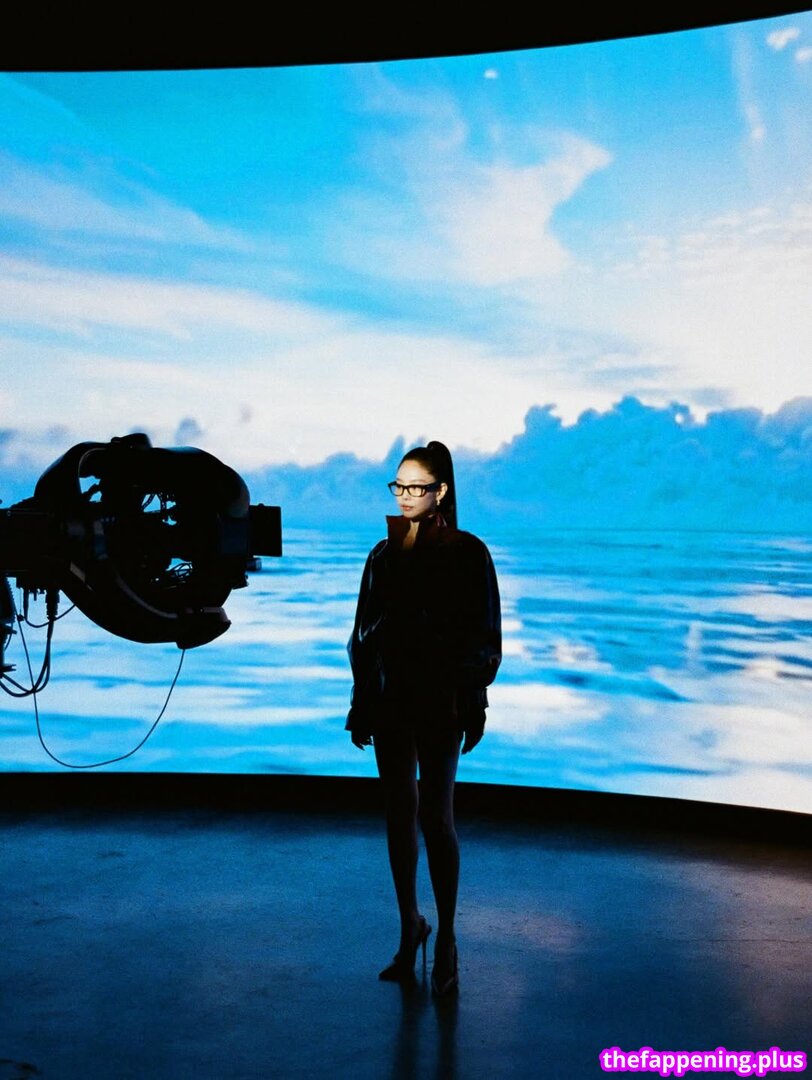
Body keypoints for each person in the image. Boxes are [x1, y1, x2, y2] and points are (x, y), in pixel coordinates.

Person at [346, 440, 501, 996]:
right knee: (398, 813)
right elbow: (361, 635)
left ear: (441, 491)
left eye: (417, 487)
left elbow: (484, 637)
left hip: (440, 699)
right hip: (392, 696)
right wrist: (360, 700)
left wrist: (473, 699)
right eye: (400, 486)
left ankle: (448, 936)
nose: (406, 495)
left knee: (435, 817)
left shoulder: (468, 553)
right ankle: (411, 924)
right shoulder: (381, 555)